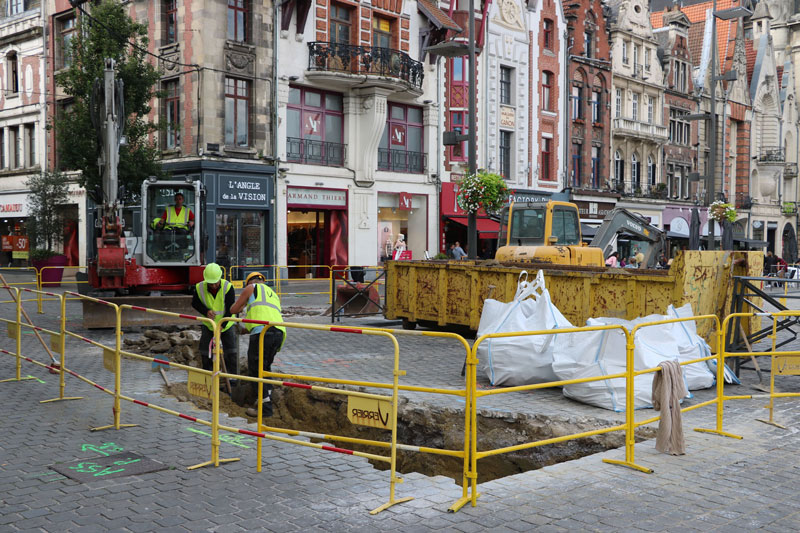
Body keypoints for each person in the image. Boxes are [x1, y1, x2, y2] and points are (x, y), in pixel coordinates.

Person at [230, 271, 286, 418]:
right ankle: (267, 398)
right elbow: (262, 317)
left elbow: (233, 309)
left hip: (262, 335)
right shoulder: (272, 294)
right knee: (265, 368)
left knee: (256, 370)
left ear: (250, 282)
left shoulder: (251, 288)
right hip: (278, 333)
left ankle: (265, 409)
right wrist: (244, 330)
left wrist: (240, 307)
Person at [191, 263, 239, 376]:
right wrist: (206, 311)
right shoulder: (200, 287)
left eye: (215, 283)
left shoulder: (228, 287)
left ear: (220, 278)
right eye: (210, 284)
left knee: (230, 351)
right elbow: (195, 303)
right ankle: (209, 375)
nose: (213, 286)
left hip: (226, 325)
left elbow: (230, 308)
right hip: (209, 325)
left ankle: (232, 377)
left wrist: (223, 324)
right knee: (205, 351)